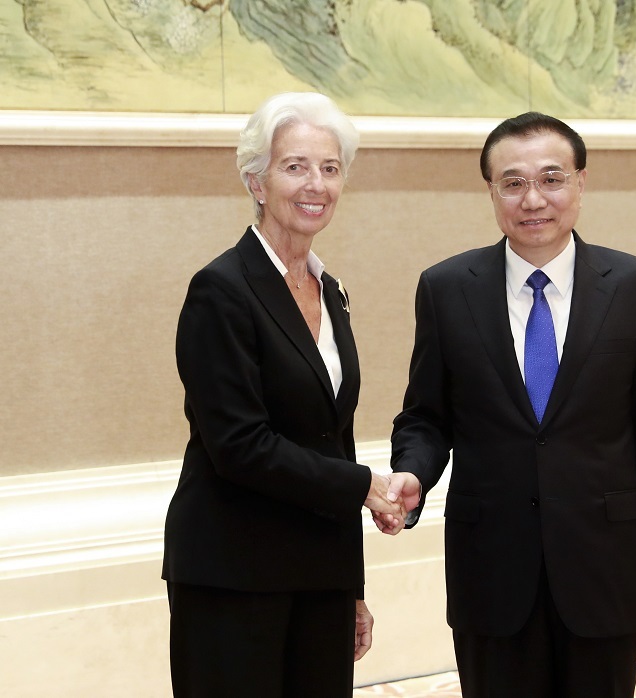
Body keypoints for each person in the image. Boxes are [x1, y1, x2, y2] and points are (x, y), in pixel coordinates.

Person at [376, 112, 636, 697]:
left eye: (551, 179)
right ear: (491, 191)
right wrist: (412, 471)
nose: (533, 199)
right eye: (513, 183)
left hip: (606, 569)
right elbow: (426, 415)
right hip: (490, 570)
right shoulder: (446, 288)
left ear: (580, 183)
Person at [162, 92, 406, 698]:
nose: (316, 184)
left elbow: (334, 441)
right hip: (233, 574)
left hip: (319, 575)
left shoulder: (331, 291)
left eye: (330, 168)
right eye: (295, 166)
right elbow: (239, 446)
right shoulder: (221, 290)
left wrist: (351, 588)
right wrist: (364, 487)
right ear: (257, 181)